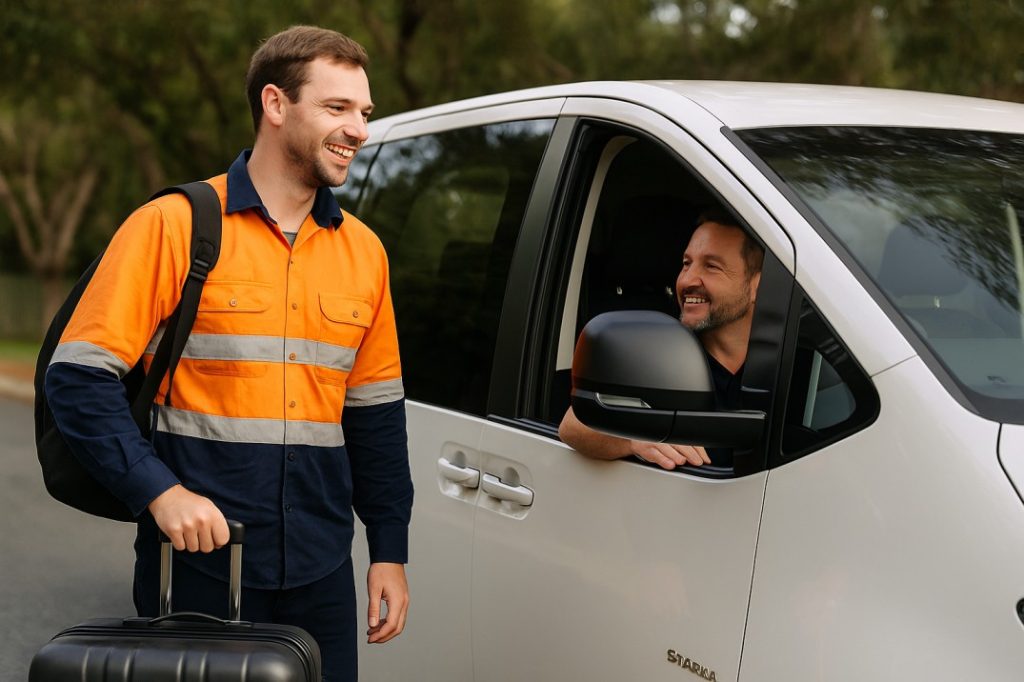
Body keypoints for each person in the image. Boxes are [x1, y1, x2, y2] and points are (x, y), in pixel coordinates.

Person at [44, 26, 412, 681]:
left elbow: (375, 417)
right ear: (275, 104)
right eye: (337, 108)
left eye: (364, 112)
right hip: (195, 569)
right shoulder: (173, 225)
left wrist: (388, 550)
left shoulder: (366, 252)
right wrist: (159, 493)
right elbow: (77, 378)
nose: (358, 129)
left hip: (322, 568)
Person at [559, 208, 763, 469]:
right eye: (686, 263)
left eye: (711, 266)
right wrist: (634, 441)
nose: (687, 279)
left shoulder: (796, 364)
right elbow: (573, 426)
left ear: (757, 285)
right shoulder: (660, 353)